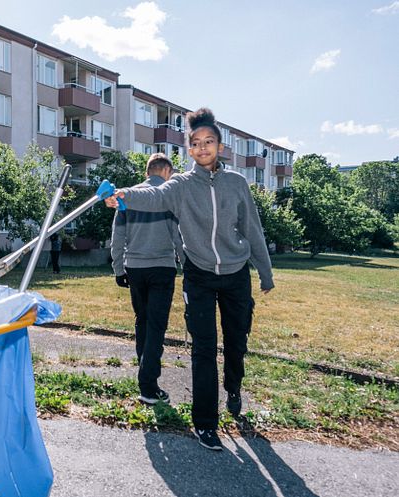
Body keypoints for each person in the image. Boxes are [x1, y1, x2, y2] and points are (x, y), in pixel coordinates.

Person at [105, 108, 274, 451]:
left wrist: (265, 272)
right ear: (189, 150)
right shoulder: (180, 185)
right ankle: (205, 424)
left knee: (236, 344)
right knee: (203, 348)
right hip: (198, 274)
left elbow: (252, 229)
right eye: (195, 143)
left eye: (208, 141)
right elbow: (152, 195)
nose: (202, 148)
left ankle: (234, 387)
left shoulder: (237, 183)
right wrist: (124, 193)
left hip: (235, 273)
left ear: (220, 146)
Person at [110, 153, 184, 406]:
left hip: (136, 268)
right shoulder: (167, 197)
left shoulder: (127, 197)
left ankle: (145, 375)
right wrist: (189, 266)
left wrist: (119, 269)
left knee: (142, 321)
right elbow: (178, 237)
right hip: (162, 267)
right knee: (156, 325)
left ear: (148, 171)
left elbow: (117, 237)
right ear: (166, 172)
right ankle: (148, 386)